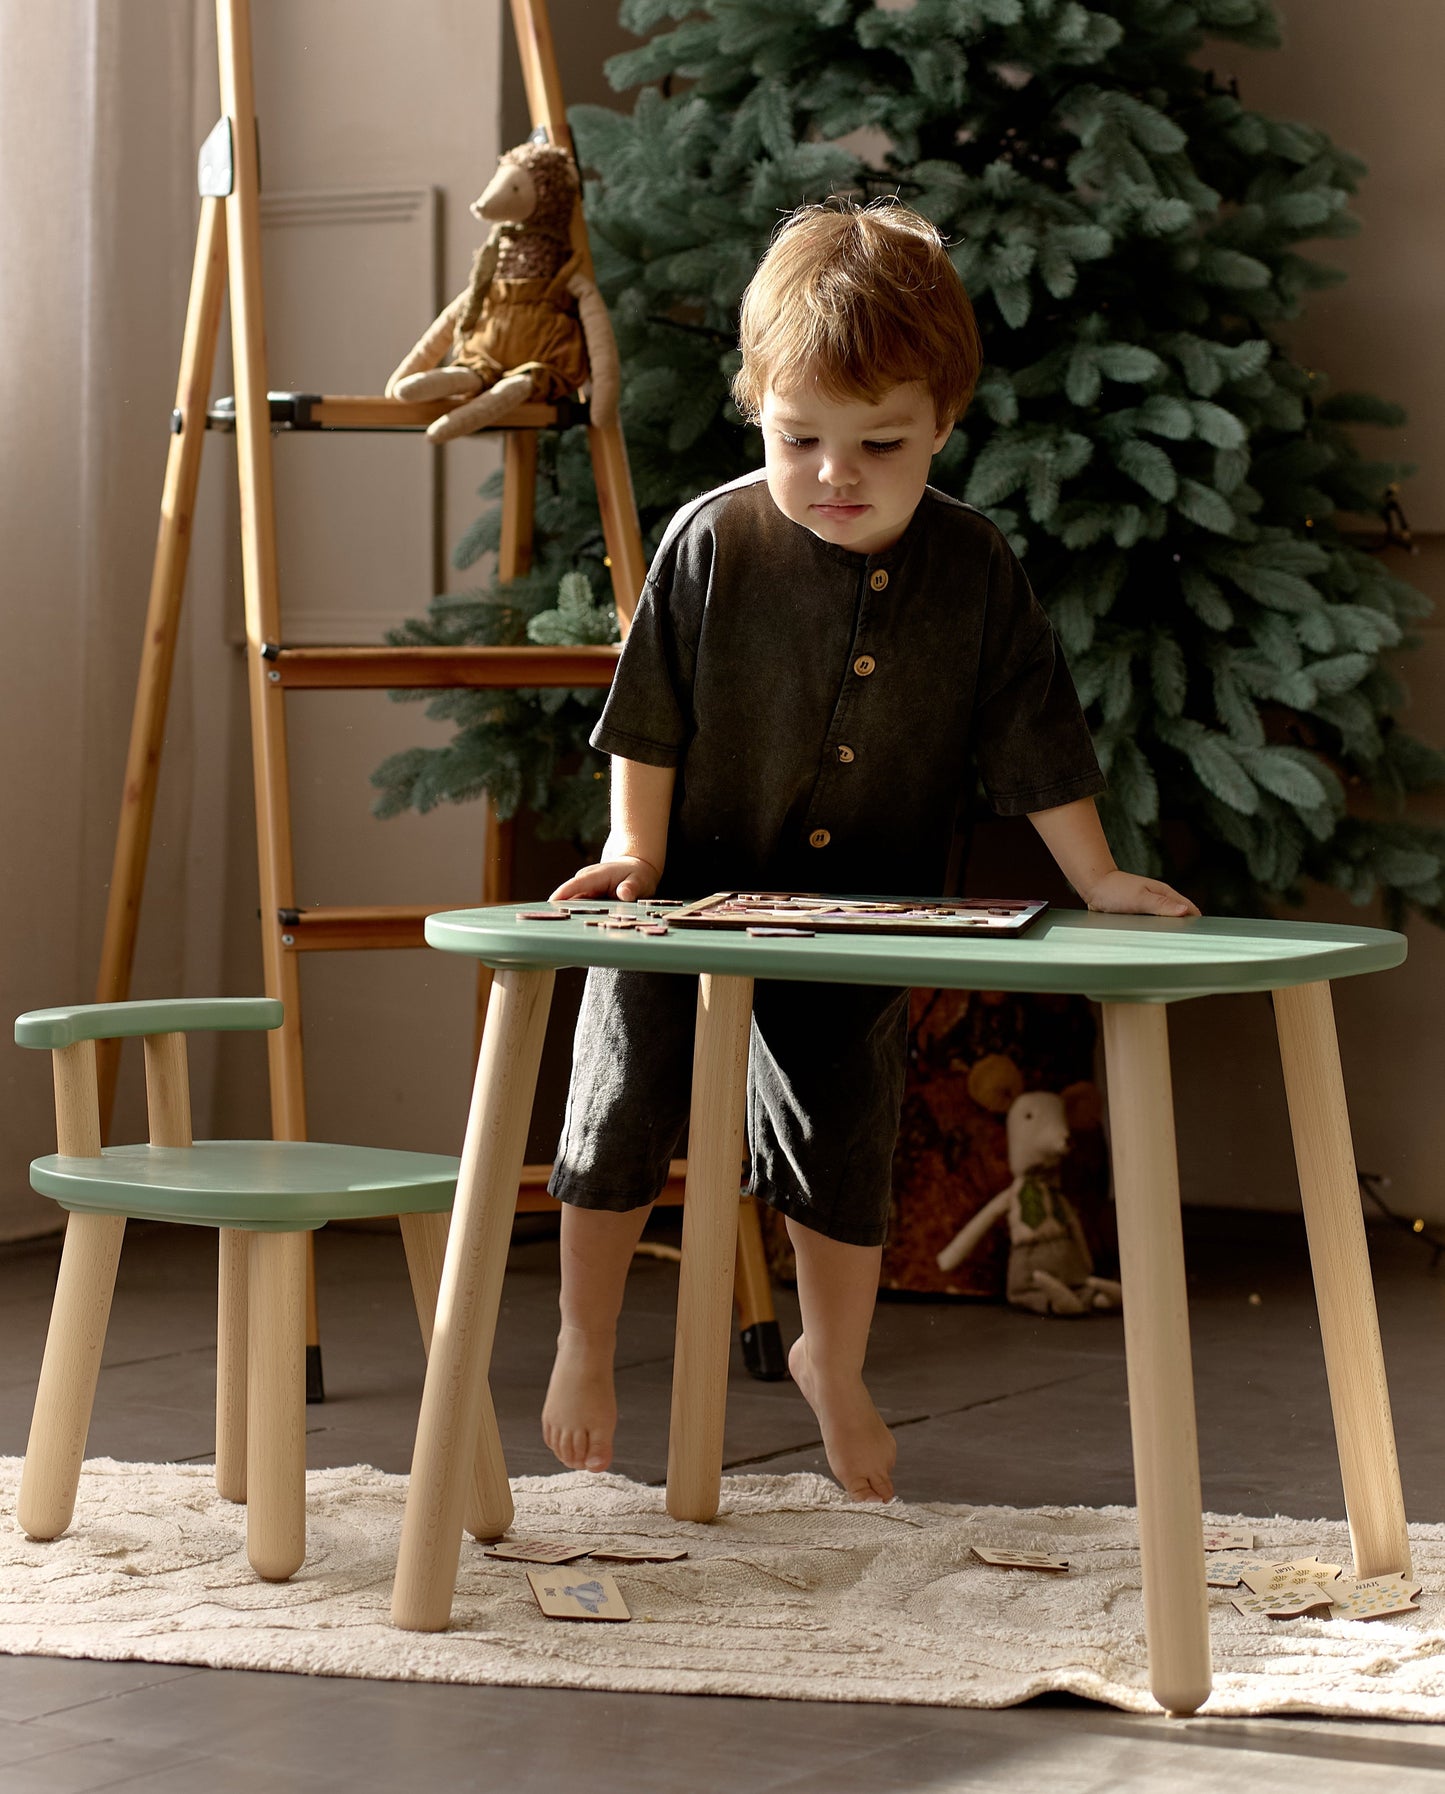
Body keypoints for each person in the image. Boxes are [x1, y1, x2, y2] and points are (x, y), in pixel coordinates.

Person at [541, 199, 1198, 1502]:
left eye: (878, 445)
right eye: (799, 441)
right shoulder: (711, 543)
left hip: (866, 905)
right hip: (690, 890)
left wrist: (1097, 877)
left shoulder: (974, 565)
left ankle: (830, 1360)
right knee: (621, 1098)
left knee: (845, 1137)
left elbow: (1033, 729)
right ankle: (582, 1337)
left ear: (943, 424)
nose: (834, 473)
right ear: (756, 411)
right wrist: (630, 848)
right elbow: (650, 712)